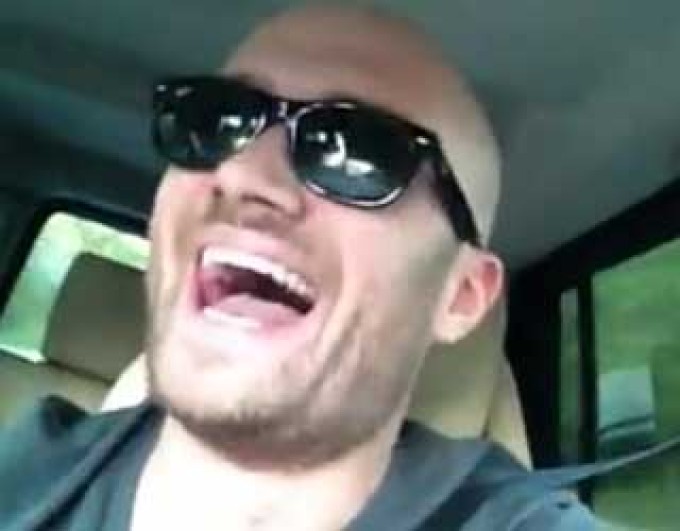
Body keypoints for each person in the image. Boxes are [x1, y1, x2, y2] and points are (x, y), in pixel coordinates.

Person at [0, 5, 598, 530]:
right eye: (215, 119)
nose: (242, 174)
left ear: (461, 295)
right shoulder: (28, 470)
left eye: (355, 151)